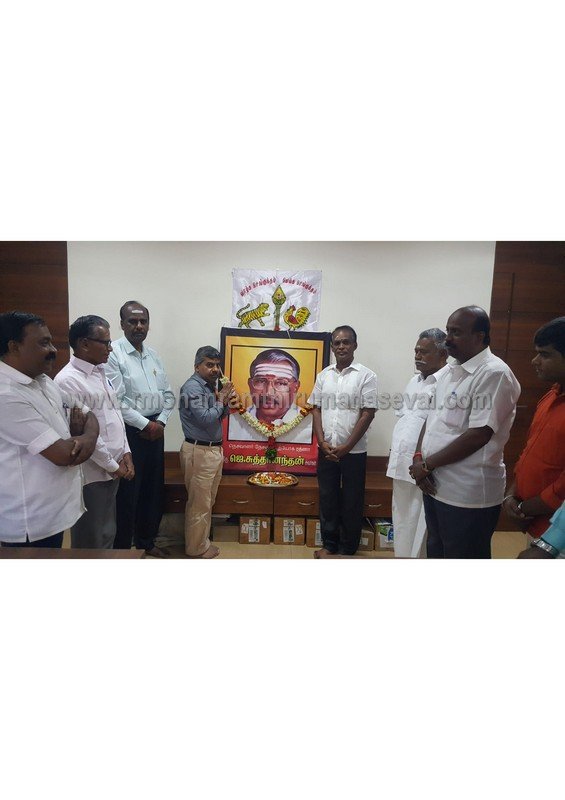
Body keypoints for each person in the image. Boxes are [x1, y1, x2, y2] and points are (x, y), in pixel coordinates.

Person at [410, 306, 521, 559]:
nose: (447, 339)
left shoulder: (494, 373)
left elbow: (479, 434)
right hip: (434, 485)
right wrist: (418, 458)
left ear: (479, 336)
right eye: (448, 331)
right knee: (437, 553)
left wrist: (426, 465)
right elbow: (431, 420)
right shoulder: (450, 372)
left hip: (466, 493)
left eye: (456, 333)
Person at [0, 311, 98, 548]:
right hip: (29, 523)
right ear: (14, 347)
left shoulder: (43, 381)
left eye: (51, 341)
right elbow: (63, 455)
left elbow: (90, 414)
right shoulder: (6, 394)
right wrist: (85, 438)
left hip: (55, 514)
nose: (53, 349)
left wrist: (83, 437)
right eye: (44, 343)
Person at [55, 315, 134, 549]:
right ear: (84, 343)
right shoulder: (68, 381)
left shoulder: (101, 372)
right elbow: (87, 436)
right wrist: (112, 465)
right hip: (92, 473)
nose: (111, 348)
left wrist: (126, 452)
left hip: (114, 466)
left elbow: (116, 415)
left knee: (108, 532)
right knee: (90, 539)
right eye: (106, 342)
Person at [105, 301, 175, 557]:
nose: (138, 326)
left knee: (152, 490)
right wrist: (147, 424)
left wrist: (161, 422)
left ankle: (147, 542)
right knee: (127, 494)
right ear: (122, 324)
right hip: (131, 432)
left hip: (156, 430)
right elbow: (116, 401)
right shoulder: (114, 354)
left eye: (143, 321)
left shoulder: (153, 355)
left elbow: (168, 394)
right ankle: (123, 549)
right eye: (132, 321)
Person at [308, 325, 378, 558]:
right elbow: (316, 409)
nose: (341, 346)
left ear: (355, 345)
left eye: (346, 342)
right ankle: (329, 545)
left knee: (351, 501)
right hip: (326, 450)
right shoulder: (323, 375)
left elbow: (368, 413)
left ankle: (348, 550)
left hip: (354, 452)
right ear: (332, 347)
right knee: (327, 498)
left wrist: (347, 446)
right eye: (337, 343)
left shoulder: (366, 376)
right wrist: (321, 442)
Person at [386, 328, 449, 558]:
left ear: (443, 354)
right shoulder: (414, 381)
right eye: (416, 351)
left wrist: (425, 464)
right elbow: (404, 420)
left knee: (422, 524)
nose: (417, 356)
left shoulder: (448, 382)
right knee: (401, 519)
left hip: (425, 468)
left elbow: (442, 430)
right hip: (401, 464)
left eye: (424, 352)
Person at [503, 317, 565, 540]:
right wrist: (512, 495)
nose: (534, 361)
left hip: (557, 532)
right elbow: (529, 454)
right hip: (533, 522)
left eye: (545, 355)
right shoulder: (551, 396)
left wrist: (525, 508)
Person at [179, 346, 234, 558]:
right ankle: (196, 549)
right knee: (199, 505)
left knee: (207, 502)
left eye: (217, 365)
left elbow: (220, 415)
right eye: (209, 365)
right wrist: (221, 399)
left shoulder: (209, 386)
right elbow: (205, 418)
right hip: (199, 451)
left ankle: (201, 543)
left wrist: (225, 400)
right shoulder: (192, 388)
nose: (215, 369)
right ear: (197, 366)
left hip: (211, 450)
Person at [228, 348, 313, 443]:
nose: (268, 392)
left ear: (296, 387)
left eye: (281, 383)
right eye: (260, 381)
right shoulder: (233, 423)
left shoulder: (310, 425)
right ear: (250, 385)